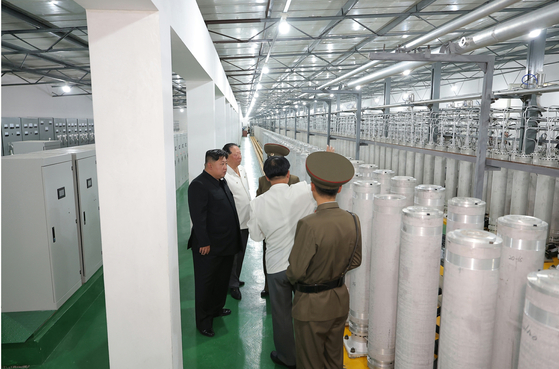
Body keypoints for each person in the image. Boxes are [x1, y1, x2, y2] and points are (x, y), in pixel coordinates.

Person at [286, 151, 362, 369]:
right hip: (338, 301)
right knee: (334, 360)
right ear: (340, 188)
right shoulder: (353, 220)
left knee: (310, 362)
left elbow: (296, 271)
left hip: (311, 307)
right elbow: (356, 260)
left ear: (312, 186)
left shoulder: (309, 224)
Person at [248, 155, 316, 369]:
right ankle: (310, 355)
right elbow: (321, 189)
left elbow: (257, 237)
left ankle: (288, 357)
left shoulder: (258, 203)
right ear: (289, 174)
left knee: (282, 315)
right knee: (307, 312)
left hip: (276, 267)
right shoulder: (303, 191)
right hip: (303, 265)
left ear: (266, 177)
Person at [188, 149, 241, 338]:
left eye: (226, 163)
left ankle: (217, 308)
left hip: (225, 244)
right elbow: (198, 217)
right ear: (209, 165)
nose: (225, 167)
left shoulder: (220, 181)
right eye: (222, 164)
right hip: (209, 247)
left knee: (221, 281)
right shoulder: (199, 185)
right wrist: (203, 241)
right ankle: (203, 322)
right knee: (205, 284)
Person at [256, 143, 300, 298]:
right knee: (267, 256)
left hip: (288, 225)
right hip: (270, 227)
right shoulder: (263, 181)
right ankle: (268, 286)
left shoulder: (294, 180)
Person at [222, 143, 251, 300]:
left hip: (246, 219)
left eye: (240, 153)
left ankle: (235, 278)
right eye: (236, 154)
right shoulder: (225, 175)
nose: (239, 156)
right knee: (233, 255)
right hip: (234, 222)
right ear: (226, 156)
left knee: (241, 253)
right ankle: (232, 285)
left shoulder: (244, 170)